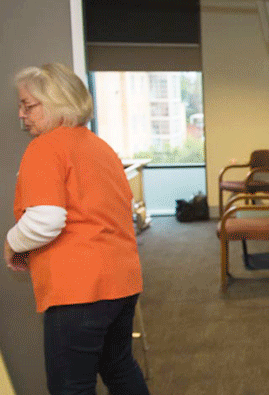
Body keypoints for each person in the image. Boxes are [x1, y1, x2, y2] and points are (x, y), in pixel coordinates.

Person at [5, 63, 150, 395]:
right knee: (119, 367)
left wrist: (12, 242)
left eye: (29, 106)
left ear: (57, 104)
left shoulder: (45, 147)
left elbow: (46, 220)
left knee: (71, 387)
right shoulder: (100, 148)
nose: (21, 115)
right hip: (122, 282)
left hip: (78, 290)